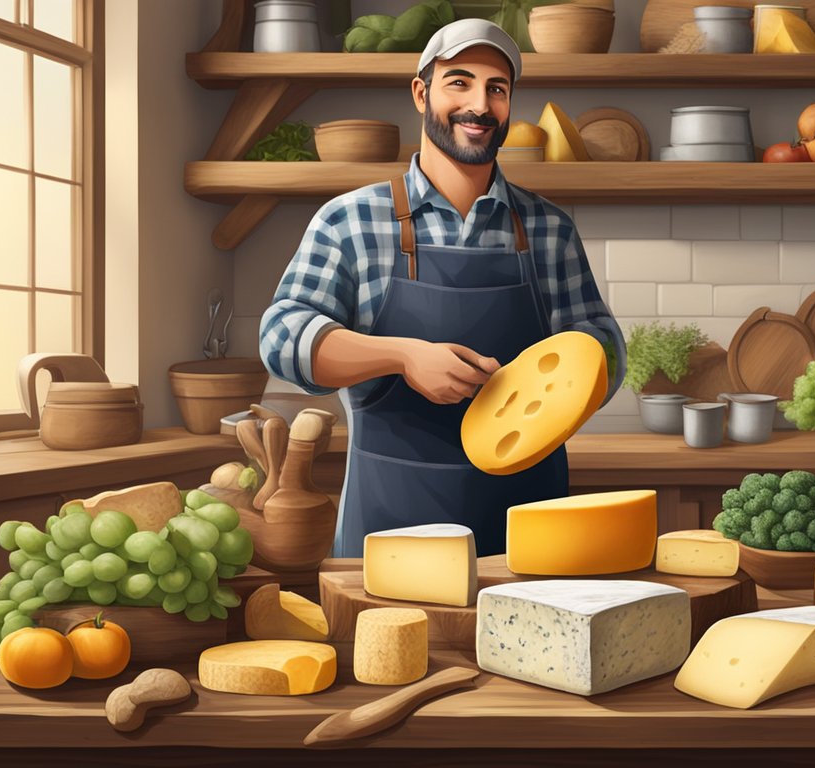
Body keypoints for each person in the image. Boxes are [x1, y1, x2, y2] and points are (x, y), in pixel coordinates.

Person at [259, 19, 625, 558]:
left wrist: (542, 386)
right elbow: (283, 337)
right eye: (459, 81)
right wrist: (402, 356)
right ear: (421, 92)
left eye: (496, 89)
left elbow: (604, 346)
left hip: (527, 533)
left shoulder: (548, 230)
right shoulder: (351, 221)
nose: (479, 104)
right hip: (390, 530)